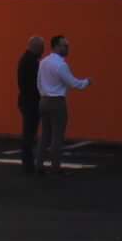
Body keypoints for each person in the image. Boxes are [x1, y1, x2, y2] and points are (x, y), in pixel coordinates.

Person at [34, 35, 88, 174]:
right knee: (57, 136)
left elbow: (38, 82)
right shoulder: (61, 65)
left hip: (44, 100)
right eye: (65, 45)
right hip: (57, 102)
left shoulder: (43, 62)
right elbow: (73, 83)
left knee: (44, 135)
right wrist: (87, 82)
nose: (67, 48)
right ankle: (55, 167)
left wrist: (43, 94)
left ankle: (39, 165)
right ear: (56, 46)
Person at [15, 34, 48, 175]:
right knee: (29, 134)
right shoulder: (31, 62)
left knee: (29, 133)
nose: (43, 51)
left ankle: (28, 164)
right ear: (37, 47)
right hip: (31, 102)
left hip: (26, 101)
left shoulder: (26, 60)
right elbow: (35, 84)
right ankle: (28, 165)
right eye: (42, 48)